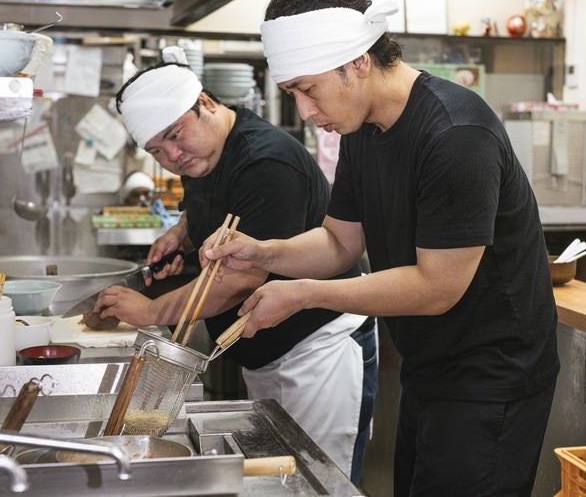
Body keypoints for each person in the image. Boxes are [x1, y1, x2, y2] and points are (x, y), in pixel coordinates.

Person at [202, 0, 560, 497]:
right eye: (293, 93)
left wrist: (304, 294)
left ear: (359, 62)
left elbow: (437, 287)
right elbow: (339, 242)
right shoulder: (363, 129)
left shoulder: (456, 134)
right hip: (429, 364)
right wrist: (265, 252)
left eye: (308, 89)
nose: (304, 110)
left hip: (492, 376)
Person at [94, 46, 377, 485]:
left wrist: (150, 312)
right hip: (266, 349)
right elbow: (208, 204)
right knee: (278, 481)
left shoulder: (267, 163)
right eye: (156, 151)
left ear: (206, 103)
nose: (172, 157)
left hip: (318, 352)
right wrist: (182, 235)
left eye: (174, 135)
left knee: (319, 482)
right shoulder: (204, 151)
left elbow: (237, 281)